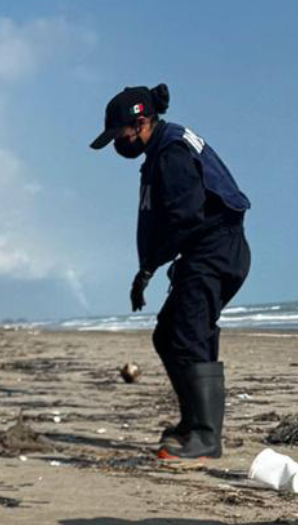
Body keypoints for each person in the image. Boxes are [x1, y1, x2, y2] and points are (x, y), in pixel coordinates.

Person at [90, 84, 251, 459]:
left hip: (215, 251)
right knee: (168, 335)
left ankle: (205, 437)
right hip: (208, 252)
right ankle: (193, 423)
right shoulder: (164, 146)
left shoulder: (172, 152)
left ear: (141, 123)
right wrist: (146, 271)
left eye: (120, 134)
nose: (119, 143)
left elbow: (185, 218)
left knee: (189, 335)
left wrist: (152, 266)